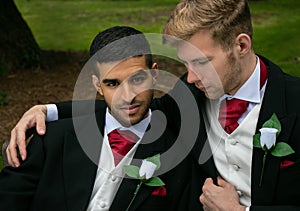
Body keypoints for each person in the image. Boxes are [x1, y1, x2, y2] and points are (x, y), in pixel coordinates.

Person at [5, 0, 300, 210]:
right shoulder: (192, 93)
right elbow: (132, 107)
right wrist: (48, 111)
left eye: (201, 62)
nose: (191, 76)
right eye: (186, 63)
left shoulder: (294, 103)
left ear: (242, 45)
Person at [0, 26, 195, 210]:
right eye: (112, 84)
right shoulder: (52, 139)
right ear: (97, 85)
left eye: (137, 80)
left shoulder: (178, 159)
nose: (127, 96)